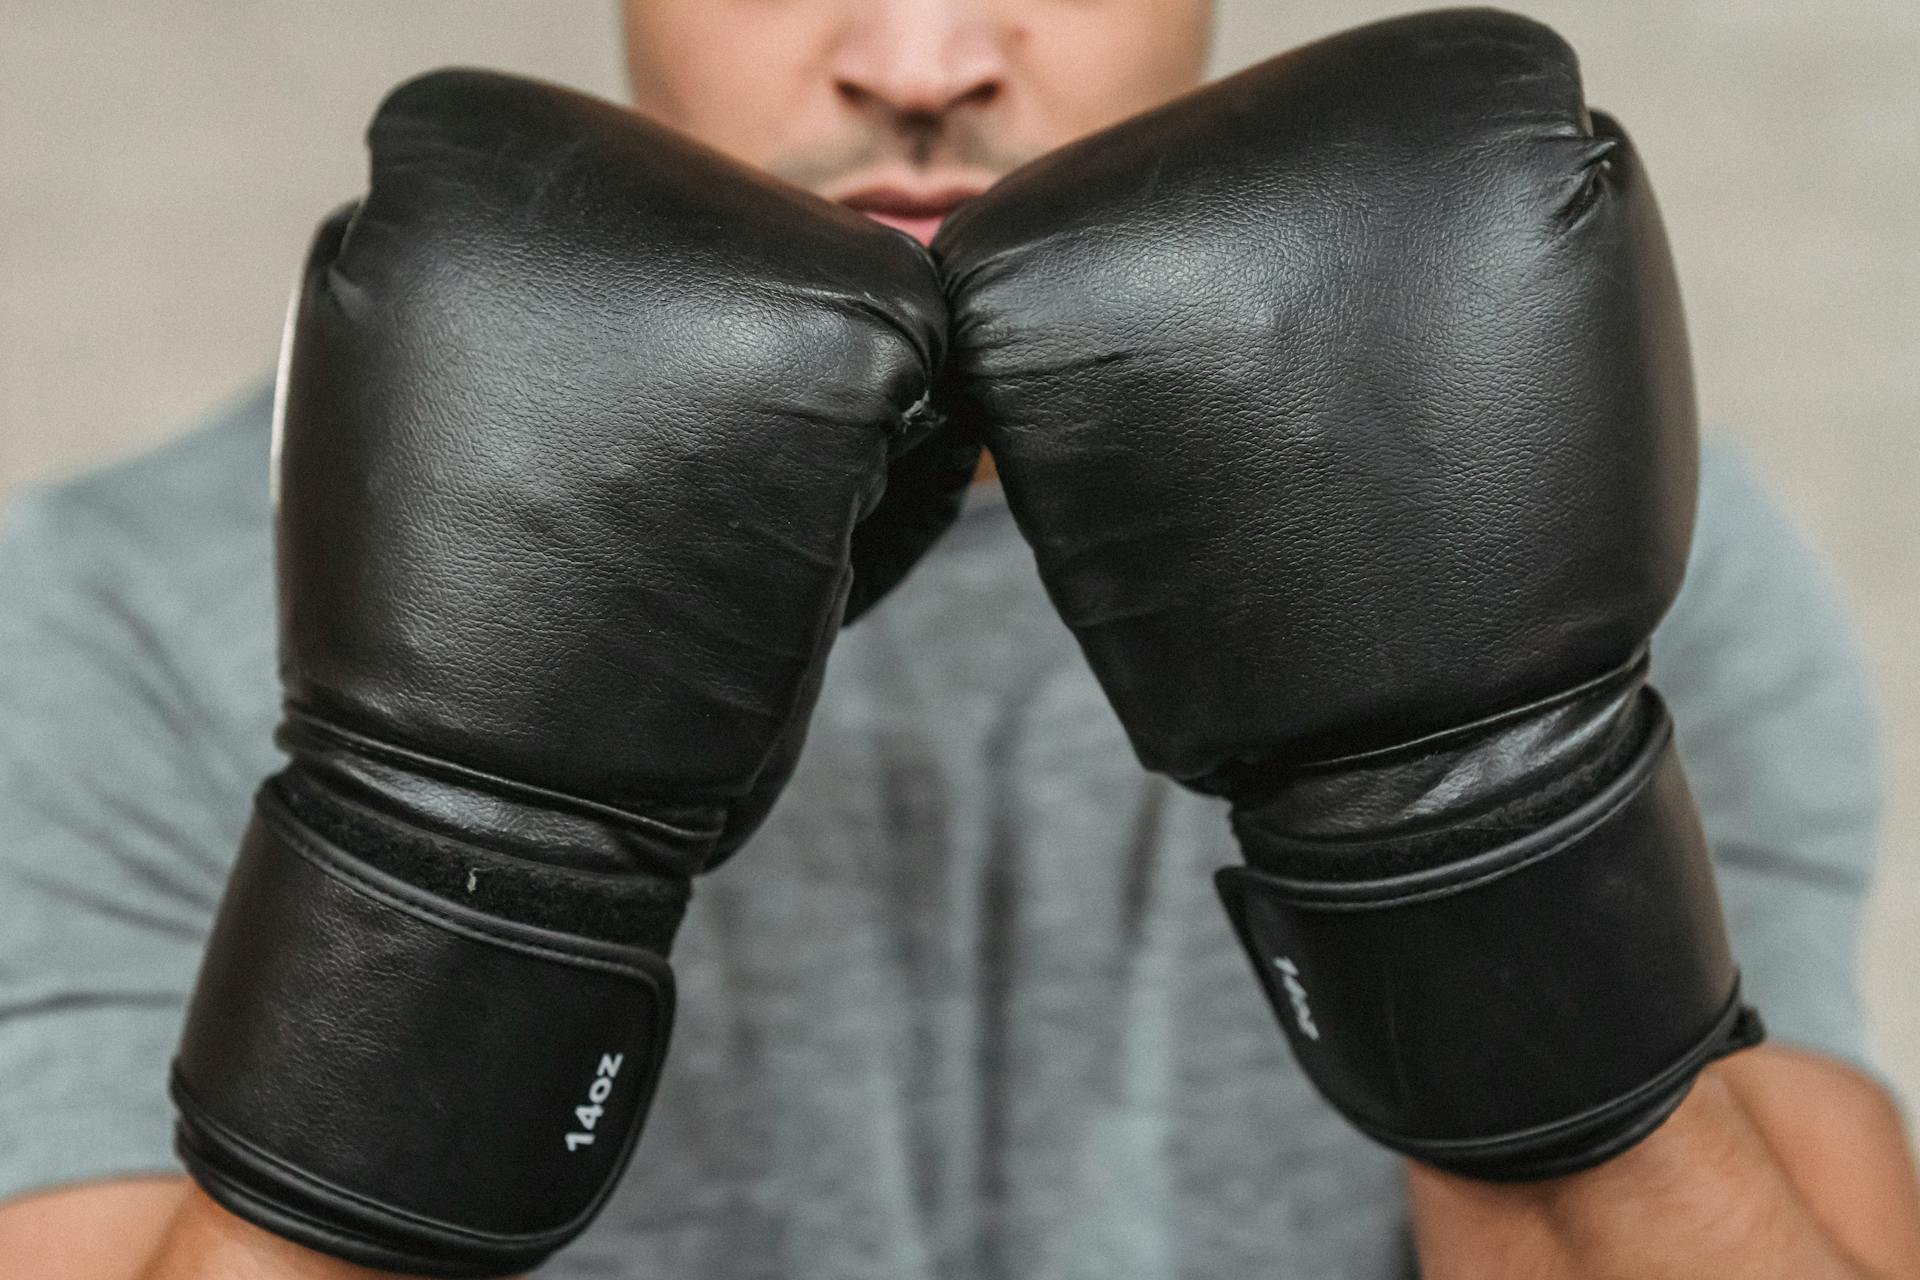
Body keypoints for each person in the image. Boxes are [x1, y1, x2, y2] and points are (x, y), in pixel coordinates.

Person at [1, 3, 1916, 1278]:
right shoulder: (133, 606)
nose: (920, 55)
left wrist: (1457, 814)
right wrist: (452, 850)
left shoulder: (1631, 555)